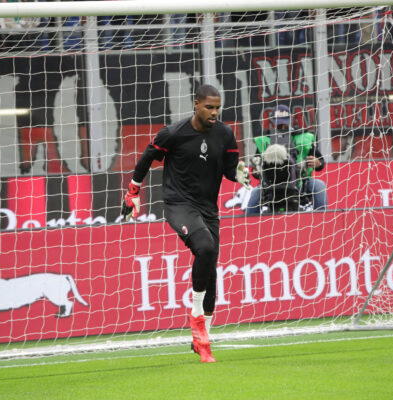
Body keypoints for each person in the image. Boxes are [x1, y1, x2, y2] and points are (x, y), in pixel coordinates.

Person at [121, 84, 251, 363]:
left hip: (208, 208)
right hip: (178, 205)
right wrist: (133, 192)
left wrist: (241, 175)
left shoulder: (225, 134)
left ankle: (202, 339)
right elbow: (146, 158)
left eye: (217, 108)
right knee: (205, 247)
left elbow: (230, 169)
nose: (214, 112)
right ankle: (196, 317)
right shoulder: (173, 133)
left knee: (210, 268)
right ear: (196, 104)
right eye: (209, 107)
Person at [245, 105, 327, 215]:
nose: (282, 126)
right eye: (279, 123)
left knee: (319, 186)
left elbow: (321, 162)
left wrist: (318, 163)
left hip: (301, 182)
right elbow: (255, 168)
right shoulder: (264, 140)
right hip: (270, 185)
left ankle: (321, 219)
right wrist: (256, 171)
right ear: (272, 121)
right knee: (255, 193)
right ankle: (249, 224)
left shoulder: (304, 138)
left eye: (284, 122)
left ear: (290, 120)